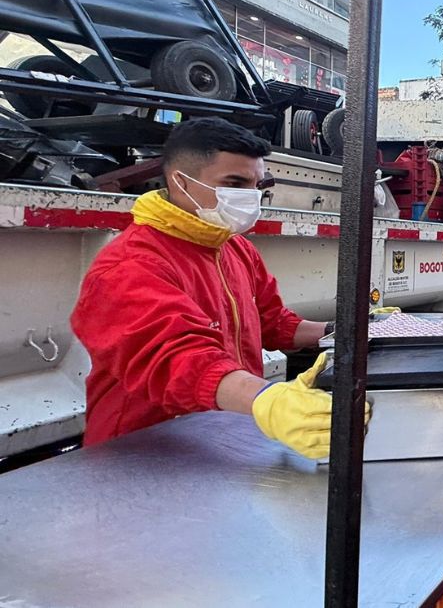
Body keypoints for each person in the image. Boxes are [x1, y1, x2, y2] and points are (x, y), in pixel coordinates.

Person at [70, 118, 345, 459]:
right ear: (180, 181)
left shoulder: (233, 248)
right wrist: (267, 399)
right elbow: (177, 361)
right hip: (141, 453)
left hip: (218, 438)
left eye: (257, 184)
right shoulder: (130, 265)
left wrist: (343, 333)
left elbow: (273, 323)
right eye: (235, 183)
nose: (250, 197)